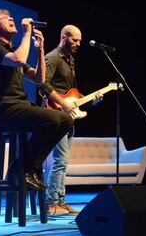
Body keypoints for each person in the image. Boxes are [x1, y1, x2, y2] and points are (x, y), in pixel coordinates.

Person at [0, 9, 74, 189]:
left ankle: (23, 168)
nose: (11, 19)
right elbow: (18, 59)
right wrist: (27, 33)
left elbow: (39, 79)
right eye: (5, 19)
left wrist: (40, 50)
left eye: (11, 17)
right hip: (3, 109)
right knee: (58, 118)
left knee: (65, 121)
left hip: (19, 107)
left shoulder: (12, 52)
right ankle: (21, 169)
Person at [40, 25, 102, 215]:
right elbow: (43, 86)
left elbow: (71, 93)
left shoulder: (70, 60)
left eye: (80, 40)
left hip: (67, 116)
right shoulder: (52, 58)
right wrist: (62, 104)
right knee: (60, 160)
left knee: (63, 161)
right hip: (56, 115)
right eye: (75, 40)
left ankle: (61, 201)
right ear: (64, 38)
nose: (78, 44)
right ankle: (51, 203)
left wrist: (92, 100)